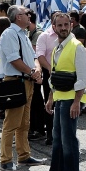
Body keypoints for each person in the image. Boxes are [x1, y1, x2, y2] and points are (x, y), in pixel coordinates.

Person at [0, 5, 46, 171]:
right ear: (18, 16)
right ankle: (6, 160)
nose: (29, 16)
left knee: (25, 122)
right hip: (16, 81)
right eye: (26, 14)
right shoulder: (10, 34)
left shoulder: (22, 33)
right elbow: (13, 60)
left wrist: (37, 69)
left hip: (27, 80)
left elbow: (33, 56)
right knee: (11, 123)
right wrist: (33, 72)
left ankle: (24, 156)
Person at [43, 13, 86, 171]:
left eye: (66, 25)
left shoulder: (77, 47)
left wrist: (77, 102)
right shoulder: (57, 47)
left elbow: (83, 77)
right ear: (54, 27)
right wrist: (50, 98)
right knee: (57, 137)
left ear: (71, 25)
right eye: (59, 25)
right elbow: (54, 76)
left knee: (68, 140)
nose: (63, 28)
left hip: (71, 99)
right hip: (60, 97)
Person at [35, 13, 61, 146]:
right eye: (58, 23)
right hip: (49, 73)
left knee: (64, 104)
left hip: (66, 75)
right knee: (49, 104)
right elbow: (40, 56)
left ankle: (63, 133)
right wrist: (50, 69)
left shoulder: (68, 36)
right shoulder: (44, 36)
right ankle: (50, 134)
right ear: (52, 23)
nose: (61, 26)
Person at [26, 9, 49, 141]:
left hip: (38, 71)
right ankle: (35, 127)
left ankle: (39, 128)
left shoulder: (38, 33)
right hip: (33, 72)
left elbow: (34, 54)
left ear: (29, 19)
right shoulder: (29, 33)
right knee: (34, 100)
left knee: (37, 101)